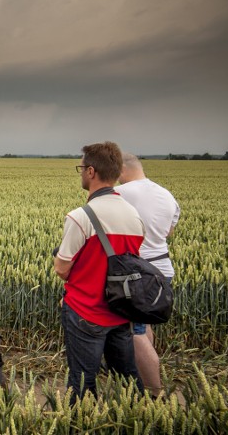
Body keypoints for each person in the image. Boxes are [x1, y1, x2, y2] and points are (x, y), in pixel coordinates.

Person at [54, 142, 145, 403]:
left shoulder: (80, 217)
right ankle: (138, 415)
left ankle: (79, 424)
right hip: (120, 310)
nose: (81, 172)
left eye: (81, 168)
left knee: (82, 378)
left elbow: (62, 269)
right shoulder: (134, 215)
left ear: (91, 171)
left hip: (86, 311)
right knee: (127, 374)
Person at [116, 153, 180, 397]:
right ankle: (144, 377)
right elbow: (169, 232)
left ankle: (154, 392)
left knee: (135, 332)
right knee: (144, 324)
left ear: (121, 169)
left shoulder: (124, 193)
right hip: (162, 269)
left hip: (139, 271)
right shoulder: (167, 195)